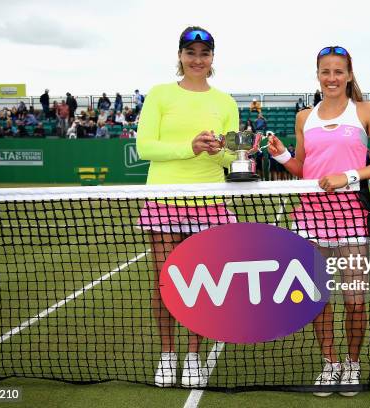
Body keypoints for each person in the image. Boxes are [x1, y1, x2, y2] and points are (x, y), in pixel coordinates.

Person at [267, 45, 370, 397]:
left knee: (355, 301)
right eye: (326, 71)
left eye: (339, 71)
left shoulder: (366, 111)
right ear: (318, 75)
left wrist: (349, 176)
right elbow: (304, 170)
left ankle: (352, 363)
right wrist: (282, 155)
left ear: (349, 75)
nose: (332, 78)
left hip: (351, 218)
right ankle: (330, 363)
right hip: (310, 219)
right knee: (318, 299)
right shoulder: (305, 117)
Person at [135, 26, 239, 389]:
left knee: (200, 285)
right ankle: (168, 354)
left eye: (204, 53)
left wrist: (218, 151)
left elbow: (233, 156)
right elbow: (146, 147)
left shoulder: (226, 102)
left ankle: (193, 354)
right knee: (166, 283)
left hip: (210, 203)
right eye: (191, 52)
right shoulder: (159, 95)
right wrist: (190, 146)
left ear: (213, 59)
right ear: (180, 56)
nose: (198, 60)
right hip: (164, 200)